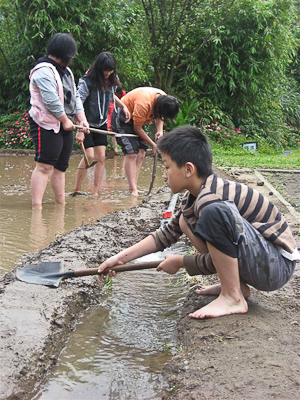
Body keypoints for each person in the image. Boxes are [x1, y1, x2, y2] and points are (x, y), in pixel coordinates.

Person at [98, 125, 299, 319]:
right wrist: (121, 258)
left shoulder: (211, 199)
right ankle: (236, 285)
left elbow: (220, 252)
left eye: (167, 167)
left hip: (276, 266)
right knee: (185, 221)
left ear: (188, 169)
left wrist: (181, 262)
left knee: (213, 213)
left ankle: (232, 296)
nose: (164, 174)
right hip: (261, 259)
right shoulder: (195, 197)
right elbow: (166, 235)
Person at [28, 33, 88, 209]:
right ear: (65, 53)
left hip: (66, 122)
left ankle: (60, 204)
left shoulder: (66, 71)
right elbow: (51, 100)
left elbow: (75, 96)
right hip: (45, 123)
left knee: (61, 167)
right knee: (45, 165)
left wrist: (82, 120)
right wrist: (64, 120)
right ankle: (36, 207)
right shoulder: (43, 70)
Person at [73, 52, 130, 196]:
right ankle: (77, 189)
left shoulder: (112, 79)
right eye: (105, 70)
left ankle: (95, 192)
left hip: (102, 123)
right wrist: (80, 126)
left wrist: (123, 106)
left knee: (101, 157)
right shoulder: (87, 81)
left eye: (110, 70)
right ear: (99, 68)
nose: (108, 73)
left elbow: (111, 97)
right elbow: (77, 102)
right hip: (86, 123)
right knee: (90, 156)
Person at [111, 87, 179, 196]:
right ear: (157, 106)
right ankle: (133, 189)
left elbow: (159, 118)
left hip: (137, 120)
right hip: (123, 116)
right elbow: (137, 128)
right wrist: (153, 144)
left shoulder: (164, 98)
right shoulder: (144, 103)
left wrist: (159, 132)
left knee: (141, 152)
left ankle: (134, 186)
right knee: (131, 153)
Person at [107, 86, 126, 154]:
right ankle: (115, 148)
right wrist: (109, 124)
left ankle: (124, 146)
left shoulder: (124, 95)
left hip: (121, 112)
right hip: (112, 113)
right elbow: (110, 112)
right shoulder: (110, 98)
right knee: (112, 130)